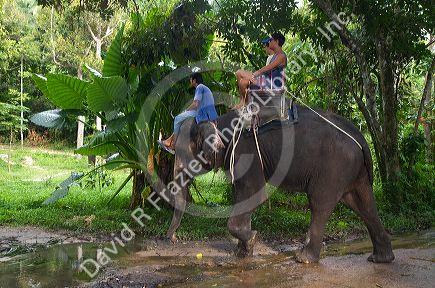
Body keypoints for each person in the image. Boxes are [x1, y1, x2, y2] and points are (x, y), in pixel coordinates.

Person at [158, 72, 218, 154]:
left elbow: (195, 104)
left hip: (203, 116)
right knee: (181, 120)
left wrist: (186, 110)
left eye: (190, 79)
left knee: (177, 118)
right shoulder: (206, 88)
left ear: (194, 80)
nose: (190, 81)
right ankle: (169, 141)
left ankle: (173, 145)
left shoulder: (199, 87)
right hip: (209, 115)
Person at [234, 32, 287, 108]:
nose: (269, 42)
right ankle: (244, 102)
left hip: (271, 85)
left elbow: (268, 68)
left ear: (277, 42)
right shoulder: (275, 55)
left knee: (240, 74)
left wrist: (254, 75)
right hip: (265, 81)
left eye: (271, 40)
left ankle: (244, 102)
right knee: (242, 81)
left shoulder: (281, 56)